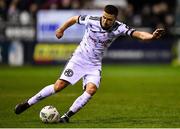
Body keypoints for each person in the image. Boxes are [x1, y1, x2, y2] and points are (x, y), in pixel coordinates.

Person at [14, 5, 165, 123]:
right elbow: (74, 18)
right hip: (79, 59)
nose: (106, 21)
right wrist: (61, 29)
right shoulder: (91, 19)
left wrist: (151, 36)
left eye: (109, 19)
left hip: (94, 64)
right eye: (104, 18)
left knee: (91, 90)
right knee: (58, 86)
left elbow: (138, 34)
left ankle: (66, 117)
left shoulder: (119, 27)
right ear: (102, 15)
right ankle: (27, 103)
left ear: (115, 19)